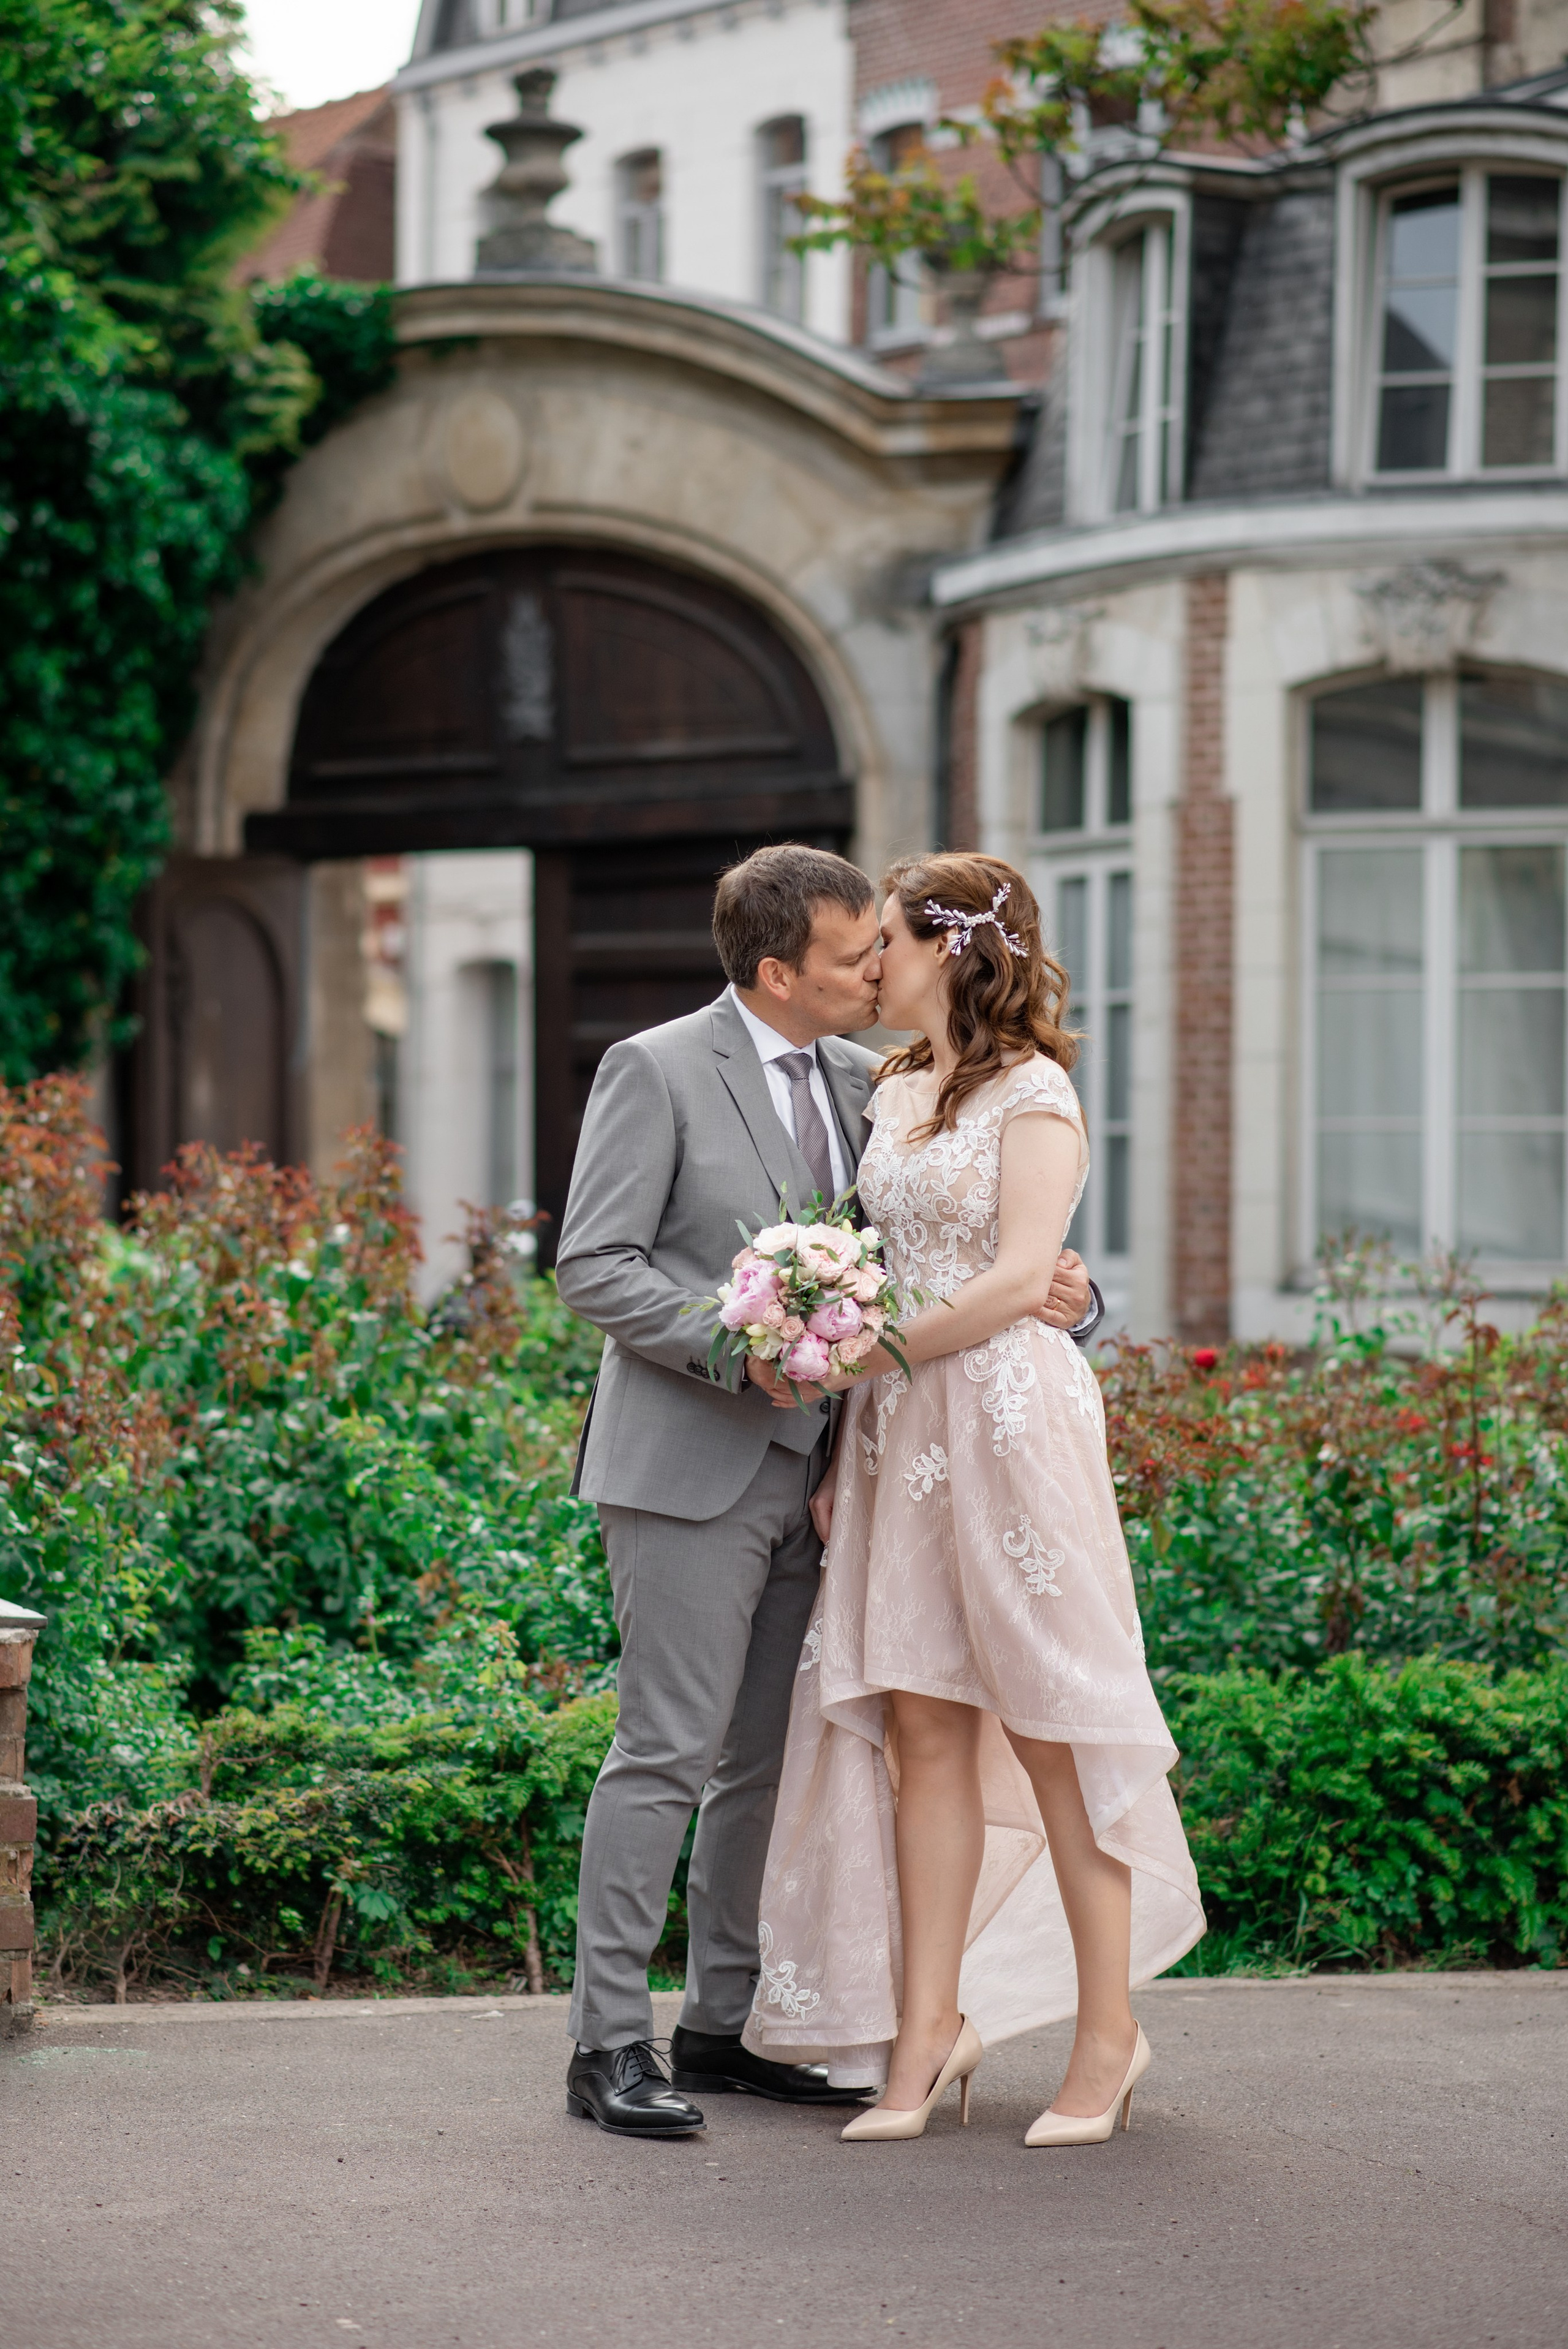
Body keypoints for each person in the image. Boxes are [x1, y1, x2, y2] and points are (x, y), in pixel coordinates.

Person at [554, 845, 1103, 2138]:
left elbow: (946, 1253)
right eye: (855, 953)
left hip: (833, 1478)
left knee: (766, 1763)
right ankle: (606, 2044)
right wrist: (730, 1340)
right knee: (662, 1755)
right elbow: (594, 1262)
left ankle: (721, 2027)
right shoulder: (656, 1068)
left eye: (883, 946)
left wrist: (1072, 1298)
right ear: (775, 971)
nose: (876, 968)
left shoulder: (882, 1086)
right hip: (686, 1464)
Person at [743, 851, 1204, 2146]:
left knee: (1055, 1726)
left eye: (883, 936)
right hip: (896, 1432)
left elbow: (1018, 1280)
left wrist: (867, 1353)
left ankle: (1106, 2039)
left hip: (1006, 1420)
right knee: (923, 1733)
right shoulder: (885, 1090)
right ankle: (925, 2036)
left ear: (945, 946)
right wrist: (846, 1420)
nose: (868, 960)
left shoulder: (1038, 1093)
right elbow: (867, 1266)